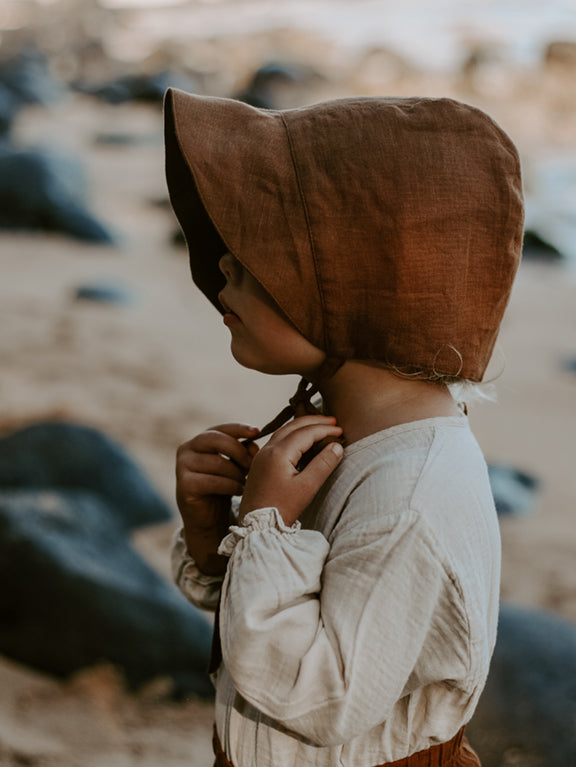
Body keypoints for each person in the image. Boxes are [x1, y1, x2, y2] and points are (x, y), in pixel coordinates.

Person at [164, 89, 524, 767]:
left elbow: (319, 693)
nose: (224, 263)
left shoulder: (411, 500)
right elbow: (276, 627)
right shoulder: (340, 428)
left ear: (356, 281)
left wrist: (267, 521)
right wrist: (220, 539)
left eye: (263, 246)